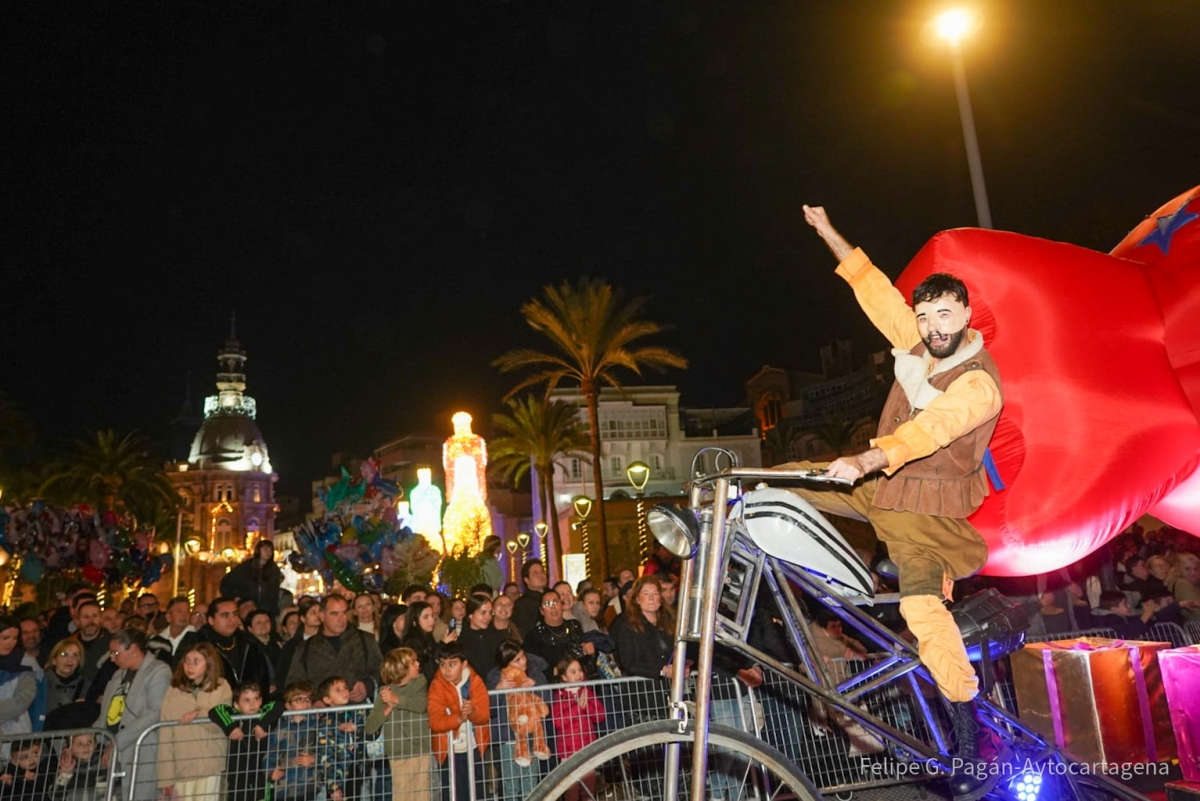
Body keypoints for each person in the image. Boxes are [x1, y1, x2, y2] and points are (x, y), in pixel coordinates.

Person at [781, 205, 1005, 797]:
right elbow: (877, 293)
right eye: (925, 316)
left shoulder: (978, 384)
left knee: (922, 613)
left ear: (964, 314)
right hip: (879, 486)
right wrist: (830, 234)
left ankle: (967, 722)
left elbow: (929, 430)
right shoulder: (917, 344)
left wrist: (866, 458)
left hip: (925, 516)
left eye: (943, 315)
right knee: (782, 477)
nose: (932, 327)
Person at [95, 628, 171, 801]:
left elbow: (155, 712)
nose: (111, 658)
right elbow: (107, 711)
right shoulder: (118, 674)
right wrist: (93, 737)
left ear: (133, 649)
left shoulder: (159, 671)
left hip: (141, 749)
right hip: (112, 748)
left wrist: (118, 741)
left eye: (115, 652)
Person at [157, 642, 233, 801]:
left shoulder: (222, 687)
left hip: (209, 766)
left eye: (196, 661)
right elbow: (165, 734)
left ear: (209, 663)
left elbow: (223, 723)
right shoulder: (174, 690)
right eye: (187, 661)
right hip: (182, 768)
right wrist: (166, 778)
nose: (190, 666)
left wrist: (200, 714)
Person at [286, 595, 383, 704]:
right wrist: (313, 701)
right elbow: (294, 685)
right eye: (334, 614)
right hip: (321, 715)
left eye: (344, 613)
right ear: (321, 616)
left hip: (359, 711)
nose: (341, 619)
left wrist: (368, 685)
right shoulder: (306, 648)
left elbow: (381, 671)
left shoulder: (365, 640)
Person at [366, 648, 431, 801]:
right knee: (402, 795)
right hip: (398, 752)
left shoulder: (420, 683)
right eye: (413, 662)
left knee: (422, 794)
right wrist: (387, 710)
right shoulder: (385, 691)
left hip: (420, 748)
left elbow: (421, 704)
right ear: (401, 668)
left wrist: (396, 700)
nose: (418, 664)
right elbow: (370, 726)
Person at [427, 643, 489, 801]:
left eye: (452, 664)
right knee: (454, 795)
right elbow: (435, 721)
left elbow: (484, 716)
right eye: (442, 665)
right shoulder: (436, 685)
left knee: (478, 793)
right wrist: (458, 718)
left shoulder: (475, 681)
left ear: (464, 664)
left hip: (475, 748)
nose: (446, 670)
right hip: (449, 751)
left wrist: (473, 711)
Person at [181, 598, 274, 695]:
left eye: (235, 614)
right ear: (211, 620)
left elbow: (263, 678)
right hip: (211, 704)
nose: (232, 620)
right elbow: (184, 678)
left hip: (249, 704)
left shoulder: (248, 642)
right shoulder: (197, 644)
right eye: (225, 615)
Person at [208, 681, 284, 801]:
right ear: (237, 705)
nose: (252, 704)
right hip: (237, 779)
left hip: (261, 778)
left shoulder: (263, 713)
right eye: (246, 700)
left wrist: (261, 725)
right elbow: (215, 711)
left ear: (260, 701)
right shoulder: (233, 714)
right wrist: (231, 728)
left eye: (256, 699)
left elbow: (278, 706)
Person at [549, 657, 605, 801]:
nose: (579, 674)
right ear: (563, 677)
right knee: (571, 792)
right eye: (573, 672)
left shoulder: (587, 691)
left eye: (579, 670)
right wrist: (578, 708)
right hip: (569, 753)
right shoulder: (560, 696)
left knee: (589, 789)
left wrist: (587, 705)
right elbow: (558, 722)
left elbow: (600, 716)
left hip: (587, 750)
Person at [315, 677, 367, 801]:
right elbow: (326, 757)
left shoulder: (358, 712)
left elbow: (370, 733)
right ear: (327, 699)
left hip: (358, 770)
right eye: (338, 690)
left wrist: (357, 729)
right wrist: (333, 787)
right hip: (339, 775)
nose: (344, 692)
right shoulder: (326, 723)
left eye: (345, 688)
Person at [266, 683, 319, 801]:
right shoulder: (280, 729)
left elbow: (325, 749)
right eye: (299, 699)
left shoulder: (317, 726)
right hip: (285, 786)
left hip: (309, 784)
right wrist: (270, 772)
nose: (305, 703)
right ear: (288, 705)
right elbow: (270, 754)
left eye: (308, 699)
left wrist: (314, 759)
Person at [523, 591, 592, 678]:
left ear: (562, 606)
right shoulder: (534, 636)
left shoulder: (574, 625)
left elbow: (584, 657)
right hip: (551, 685)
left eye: (555, 602)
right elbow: (532, 669)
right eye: (547, 604)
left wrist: (589, 651)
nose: (553, 607)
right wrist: (554, 671)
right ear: (541, 611)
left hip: (579, 679)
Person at [0, 616, 42, 740]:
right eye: (5, 638)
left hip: (16, 734)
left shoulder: (25, 662)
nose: (10, 642)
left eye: (14, 638)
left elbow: (22, 700)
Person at [221, 541, 284, 617]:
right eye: (265, 549)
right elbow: (226, 583)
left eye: (271, 550)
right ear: (258, 550)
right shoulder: (246, 567)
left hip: (267, 610)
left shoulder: (273, 570)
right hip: (248, 609)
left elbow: (274, 592)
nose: (268, 552)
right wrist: (234, 597)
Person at [399, 601, 455, 683]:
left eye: (432, 616)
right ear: (414, 620)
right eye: (426, 617)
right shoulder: (411, 643)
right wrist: (443, 644)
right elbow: (426, 669)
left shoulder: (427, 636)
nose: (431, 620)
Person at [42, 638, 88, 731]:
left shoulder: (86, 685)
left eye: (75, 655)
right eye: (64, 655)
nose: (70, 660)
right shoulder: (40, 683)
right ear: (54, 660)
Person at [458, 597, 505, 681]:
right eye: (483, 613)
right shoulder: (461, 642)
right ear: (470, 614)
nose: (488, 617)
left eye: (490, 613)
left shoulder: (498, 637)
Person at [276, 598, 321, 685]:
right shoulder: (292, 646)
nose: (317, 616)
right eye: (313, 613)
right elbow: (283, 673)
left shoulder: (327, 639)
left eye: (319, 612)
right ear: (303, 618)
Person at [512, 561, 549, 637]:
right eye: (535, 573)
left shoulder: (552, 596)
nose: (541, 575)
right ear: (526, 580)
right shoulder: (521, 604)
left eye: (542, 571)